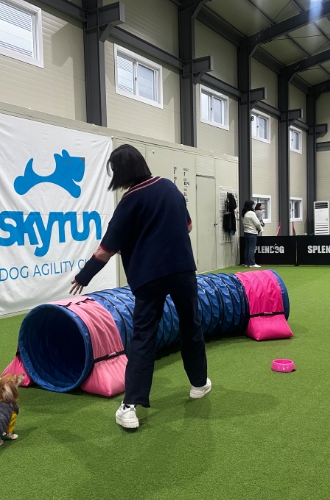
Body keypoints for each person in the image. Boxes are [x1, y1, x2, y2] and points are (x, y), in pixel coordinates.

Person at [69, 144, 210, 430]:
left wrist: (83, 277)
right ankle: (198, 384)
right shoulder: (169, 188)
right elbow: (188, 226)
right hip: (183, 270)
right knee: (191, 326)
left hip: (149, 277)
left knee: (144, 337)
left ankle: (130, 407)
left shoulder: (129, 201)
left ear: (122, 172)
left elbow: (106, 251)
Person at [242, 201, 262, 268]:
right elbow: (257, 223)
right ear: (251, 205)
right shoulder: (251, 213)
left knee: (247, 248)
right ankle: (252, 263)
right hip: (252, 232)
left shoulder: (245, 213)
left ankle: (247, 263)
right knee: (251, 248)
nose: (254, 206)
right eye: (253, 205)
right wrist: (260, 229)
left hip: (246, 232)